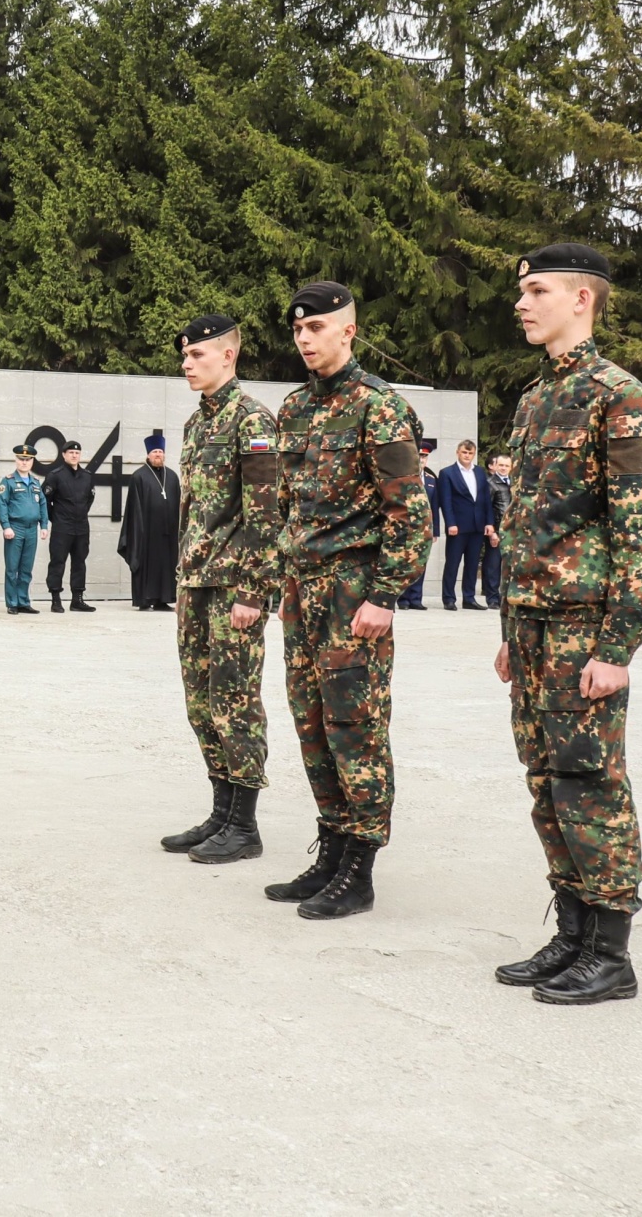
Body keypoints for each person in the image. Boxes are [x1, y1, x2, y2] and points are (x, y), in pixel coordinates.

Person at [492, 243, 642, 1006]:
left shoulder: (619, 397)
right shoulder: (535, 401)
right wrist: (507, 629)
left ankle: (612, 952)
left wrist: (619, 646)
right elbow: (530, 525)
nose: (522, 303)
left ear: (582, 300)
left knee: (590, 783)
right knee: (545, 782)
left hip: (583, 630)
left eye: (536, 291)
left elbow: (640, 533)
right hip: (531, 626)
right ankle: (572, 932)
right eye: (521, 292)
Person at [266, 281, 431, 920]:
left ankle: (360, 864)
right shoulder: (293, 410)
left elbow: (408, 513)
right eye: (299, 331)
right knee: (311, 723)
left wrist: (387, 595)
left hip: (353, 593)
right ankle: (332, 848)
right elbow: (287, 505)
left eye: (317, 329)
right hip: (301, 589)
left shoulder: (380, 408)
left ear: (348, 331)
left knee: (355, 726)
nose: (306, 339)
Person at [162, 314, 279, 864]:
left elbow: (265, 516)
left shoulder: (251, 420)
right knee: (202, 702)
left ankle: (246, 825)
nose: (187, 364)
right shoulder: (196, 424)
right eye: (184, 357)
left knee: (236, 701)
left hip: (234, 586)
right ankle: (222, 812)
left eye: (197, 356)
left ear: (228, 356)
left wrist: (254, 593)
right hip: (196, 582)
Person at [118, 431, 180, 611]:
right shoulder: (139, 476)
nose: (158, 455)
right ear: (148, 454)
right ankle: (144, 600)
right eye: (155, 452)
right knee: (146, 563)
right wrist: (139, 530)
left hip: (168, 531)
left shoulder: (173, 476)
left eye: (160, 451)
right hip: (146, 531)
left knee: (166, 564)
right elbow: (133, 507)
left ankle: (162, 600)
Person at [437, 440, 493, 610]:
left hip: (477, 525)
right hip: (458, 527)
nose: (467, 456)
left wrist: (489, 522)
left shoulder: (480, 472)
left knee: (472, 563)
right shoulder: (447, 473)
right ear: (457, 452)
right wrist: (450, 523)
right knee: (453, 562)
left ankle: (469, 598)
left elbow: (485, 500)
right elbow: (445, 502)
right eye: (464, 452)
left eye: (470, 453)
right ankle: (449, 598)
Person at [43, 441, 97, 612]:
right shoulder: (55, 475)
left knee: (80, 562)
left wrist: (80, 515)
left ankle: (77, 599)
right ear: (64, 455)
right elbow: (46, 501)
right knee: (58, 562)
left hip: (81, 527)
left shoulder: (87, 475)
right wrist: (56, 519)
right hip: (62, 527)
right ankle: (55, 599)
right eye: (71, 452)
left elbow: (89, 499)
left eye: (77, 453)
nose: (74, 455)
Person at [0, 444, 48, 614]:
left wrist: (44, 525)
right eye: (21, 459)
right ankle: (12, 602)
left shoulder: (35, 482)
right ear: (15, 460)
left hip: (32, 529)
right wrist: (6, 527)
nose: (24, 462)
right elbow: (1, 504)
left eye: (28, 459)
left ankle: (23, 601)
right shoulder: (8, 481)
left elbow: (42, 504)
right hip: (15, 528)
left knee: (26, 568)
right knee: (12, 568)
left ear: (32, 461)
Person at [397, 440, 440, 609]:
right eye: (419, 456)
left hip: (425, 529)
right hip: (407, 526)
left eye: (424, 457)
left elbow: (434, 506)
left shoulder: (431, 479)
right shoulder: (404, 478)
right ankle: (403, 599)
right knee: (405, 562)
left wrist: (435, 530)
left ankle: (416, 598)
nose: (421, 459)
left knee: (421, 562)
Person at [485, 451, 513, 607]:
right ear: (495, 466)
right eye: (501, 465)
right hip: (497, 529)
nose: (503, 468)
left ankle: (506, 597)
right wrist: (492, 531)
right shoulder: (490, 483)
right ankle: (492, 598)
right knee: (493, 565)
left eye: (506, 465)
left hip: (513, 530)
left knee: (509, 565)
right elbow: (487, 508)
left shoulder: (515, 482)